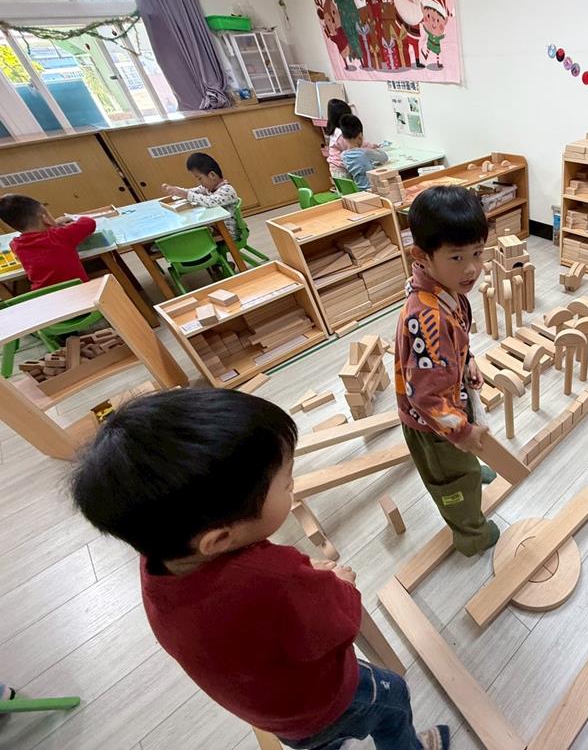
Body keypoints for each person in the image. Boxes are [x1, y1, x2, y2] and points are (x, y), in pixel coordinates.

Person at [71, 389, 449, 750]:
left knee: (318, 740)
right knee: (393, 699)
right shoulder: (275, 578)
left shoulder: (159, 559)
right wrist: (341, 584)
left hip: (272, 713)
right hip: (322, 701)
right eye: (286, 483)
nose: (293, 485)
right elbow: (342, 625)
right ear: (219, 539)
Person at [394, 186, 499, 557]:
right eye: (457, 257)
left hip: (449, 403)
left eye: (477, 253)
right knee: (452, 485)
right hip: (433, 425)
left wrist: (467, 360)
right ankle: (471, 534)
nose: (471, 268)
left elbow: (456, 344)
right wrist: (462, 432)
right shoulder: (429, 318)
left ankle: (467, 465)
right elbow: (425, 398)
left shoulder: (444, 287)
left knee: (464, 455)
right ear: (422, 256)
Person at [1, 193, 96, 291]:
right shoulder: (59, 235)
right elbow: (89, 223)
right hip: (77, 290)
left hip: (44, 294)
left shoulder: (15, 245)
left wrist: (53, 224)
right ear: (44, 218)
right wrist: (55, 224)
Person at [161, 153, 240, 239]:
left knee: (191, 238)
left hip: (228, 233)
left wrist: (185, 194)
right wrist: (176, 190)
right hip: (216, 228)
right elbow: (192, 192)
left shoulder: (227, 190)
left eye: (200, 178)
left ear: (212, 175)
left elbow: (211, 202)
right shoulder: (208, 188)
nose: (199, 182)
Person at [339, 115, 389, 191]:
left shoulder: (343, 156)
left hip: (359, 190)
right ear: (360, 135)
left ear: (343, 136)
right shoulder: (365, 153)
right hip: (373, 189)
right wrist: (375, 150)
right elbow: (384, 157)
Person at [323, 98, 355, 180]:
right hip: (341, 169)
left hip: (335, 167)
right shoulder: (340, 134)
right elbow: (353, 150)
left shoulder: (334, 130)